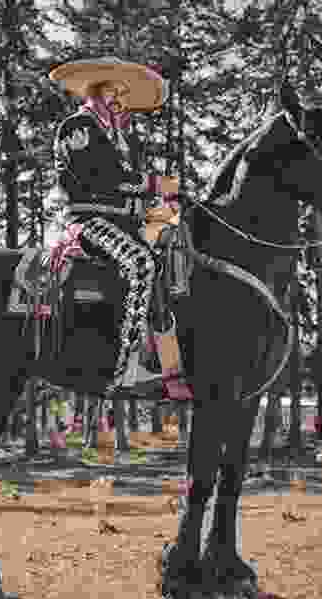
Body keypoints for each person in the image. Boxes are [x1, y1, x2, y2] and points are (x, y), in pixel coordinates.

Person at [49, 57, 192, 400]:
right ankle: (126, 367)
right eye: (115, 95)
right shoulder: (78, 127)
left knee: (176, 255)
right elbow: (106, 179)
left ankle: (171, 364)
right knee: (141, 263)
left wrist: (164, 206)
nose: (121, 103)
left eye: (122, 97)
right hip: (89, 222)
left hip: (124, 223)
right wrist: (157, 183)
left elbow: (131, 189)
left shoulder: (120, 138)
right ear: (97, 94)